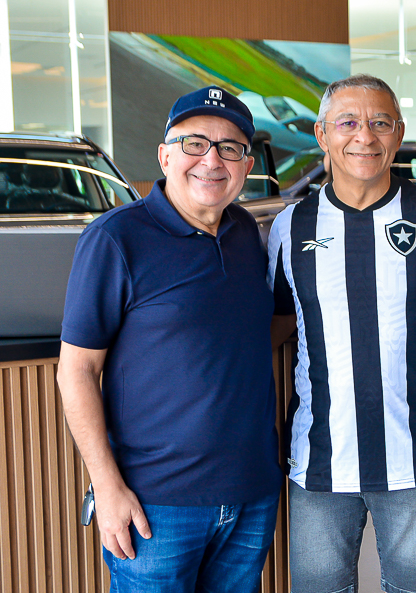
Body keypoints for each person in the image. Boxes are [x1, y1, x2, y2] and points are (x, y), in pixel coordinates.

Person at [57, 86, 283, 591]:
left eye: (229, 148)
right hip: (154, 505)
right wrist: (106, 486)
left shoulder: (247, 234)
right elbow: (77, 370)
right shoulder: (115, 238)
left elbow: (253, 333)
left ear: (247, 166)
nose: (212, 160)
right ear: (164, 156)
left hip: (250, 493)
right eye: (194, 143)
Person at [268, 74, 416, 593]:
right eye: (348, 122)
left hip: (414, 454)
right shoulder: (290, 227)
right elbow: (280, 321)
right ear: (322, 134)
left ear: (398, 133)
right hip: (319, 458)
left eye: (380, 122)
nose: (365, 136)